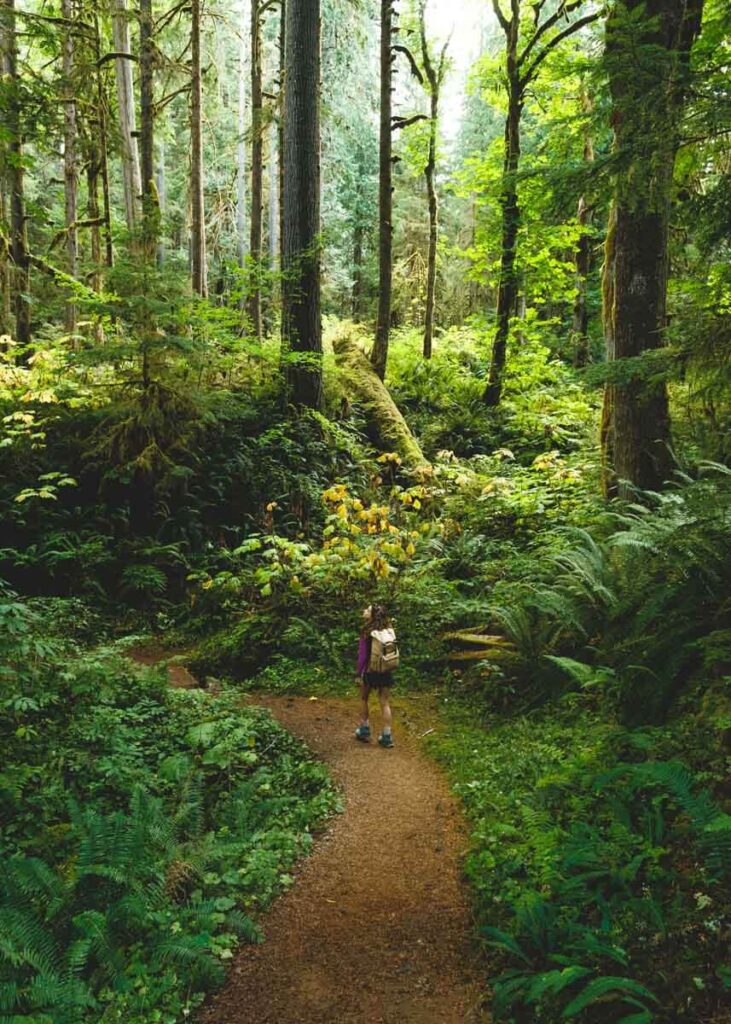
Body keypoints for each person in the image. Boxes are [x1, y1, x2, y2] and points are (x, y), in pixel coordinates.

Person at [354, 603, 395, 748]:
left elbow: (363, 656)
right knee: (384, 702)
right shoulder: (389, 630)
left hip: (370, 671)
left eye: (367, 609)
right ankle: (387, 735)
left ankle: (364, 730)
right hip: (385, 669)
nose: (364, 610)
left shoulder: (367, 631)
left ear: (372, 615)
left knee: (364, 698)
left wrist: (358, 673)